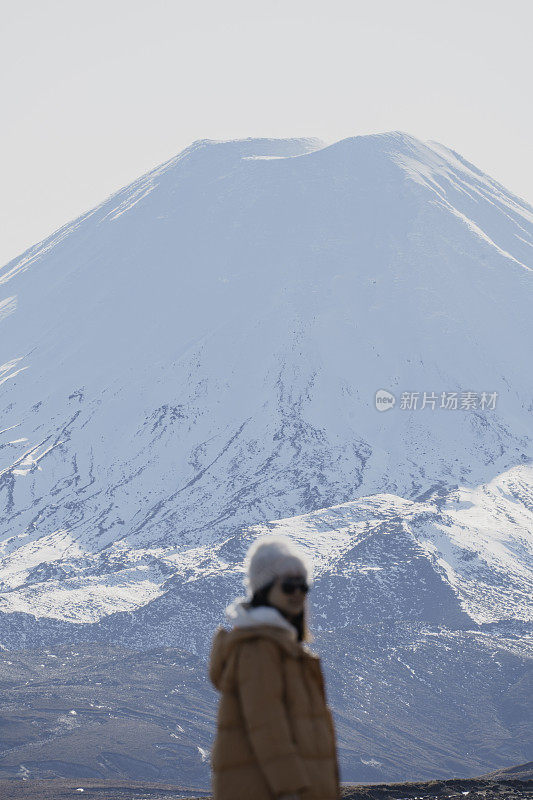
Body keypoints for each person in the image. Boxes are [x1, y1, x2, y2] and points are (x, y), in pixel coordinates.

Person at [208, 533, 341, 800]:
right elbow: (266, 724)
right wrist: (288, 790)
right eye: (289, 585)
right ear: (264, 587)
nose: (298, 594)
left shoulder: (283, 647)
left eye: (303, 586)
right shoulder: (258, 647)